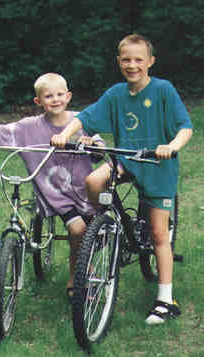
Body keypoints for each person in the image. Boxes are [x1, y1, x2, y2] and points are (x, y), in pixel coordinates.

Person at [51, 34, 193, 324]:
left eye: (139, 59)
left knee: (157, 234)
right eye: (126, 60)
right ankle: (101, 229)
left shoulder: (163, 90)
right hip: (126, 159)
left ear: (150, 62)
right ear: (119, 62)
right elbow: (86, 117)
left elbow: (185, 127)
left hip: (157, 163)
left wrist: (172, 146)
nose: (132, 65)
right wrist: (66, 134)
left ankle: (166, 299)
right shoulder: (116, 93)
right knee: (93, 181)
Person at [0, 72, 105, 304]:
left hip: (84, 190)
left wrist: (92, 144)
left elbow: (101, 149)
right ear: (38, 102)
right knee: (78, 230)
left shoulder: (82, 120)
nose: (55, 99)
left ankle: (89, 262)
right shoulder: (29, 127)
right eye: (48, 96)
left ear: (68, 96)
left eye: (60, 94)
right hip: (57, 195)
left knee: (93, 234)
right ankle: (75, 279)